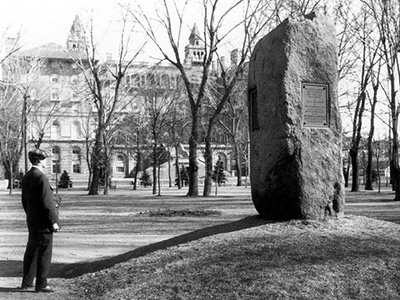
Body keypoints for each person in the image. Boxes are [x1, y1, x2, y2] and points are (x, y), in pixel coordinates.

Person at [20, 149, 60, 293]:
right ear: (40, 161)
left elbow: (24, 201)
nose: (47, 162)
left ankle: (27, 281)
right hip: (44, 223)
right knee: (44, 253)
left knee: (31, 251)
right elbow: (47, 203)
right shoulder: (41, 177)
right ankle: (42, 284)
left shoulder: (27, 177)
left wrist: (30, 215)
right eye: (45, 160)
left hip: (32, 221)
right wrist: (54, 222)